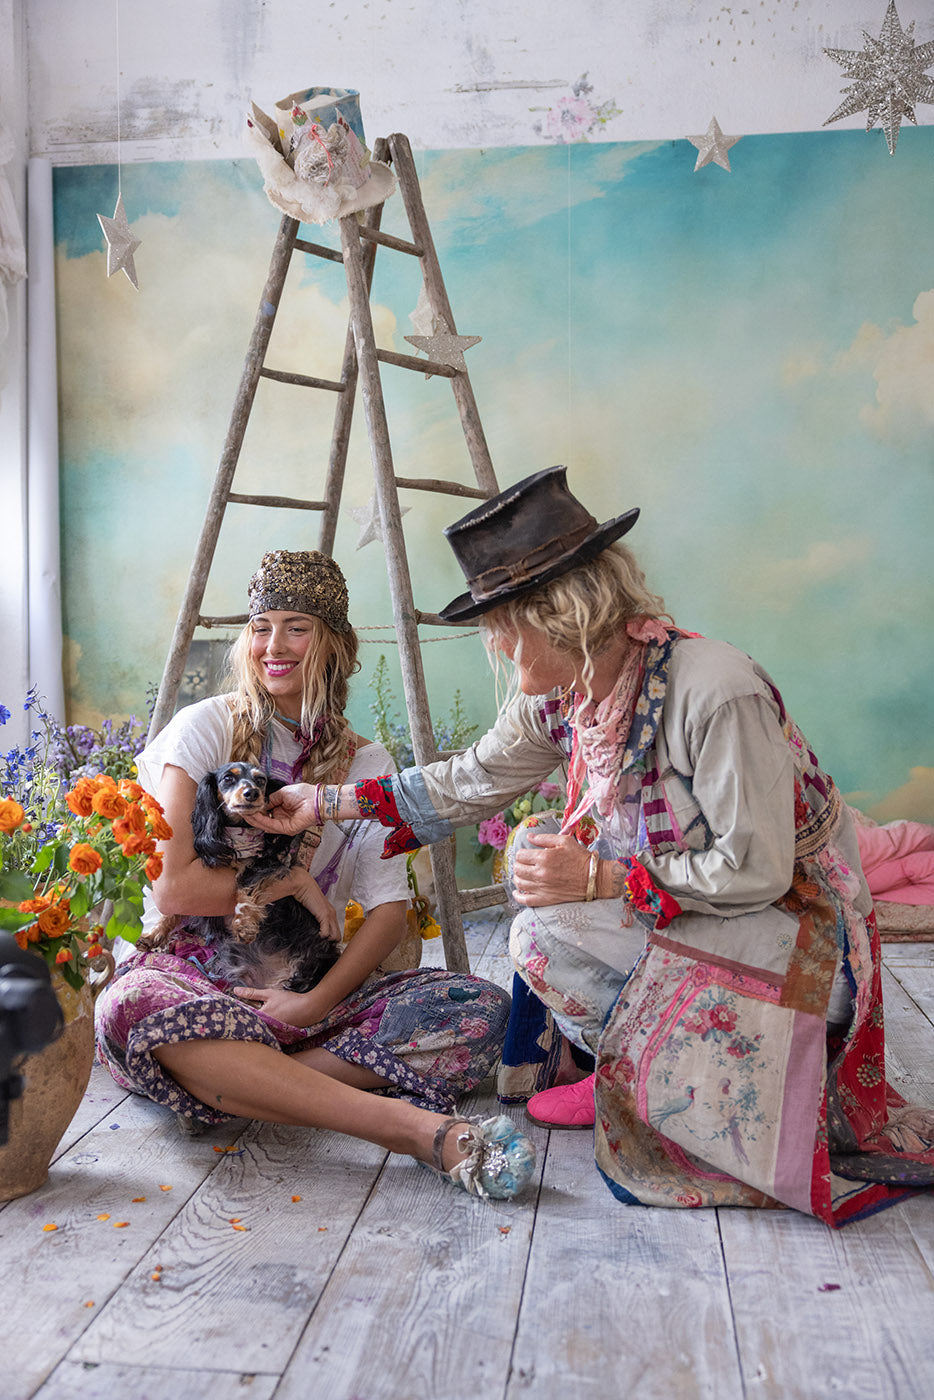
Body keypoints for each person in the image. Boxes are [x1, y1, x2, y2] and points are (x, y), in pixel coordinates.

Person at [247, 469, 934, 1227]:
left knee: (558, 915)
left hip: (802, 940)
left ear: (560, 613)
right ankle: (634, 1070)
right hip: (710, 917)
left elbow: (756, 870)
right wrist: (324, 801)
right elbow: (472, 778)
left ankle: (713, 1087)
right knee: (539, 922)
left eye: (502, 624)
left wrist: (601, 876)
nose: (496, 645)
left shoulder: (715, 690)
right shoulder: (567, 694)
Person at [95, 549, 535, 1202]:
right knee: (131, 1003)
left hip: (299, 992)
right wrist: (292, 883)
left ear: (334, 645)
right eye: (261, 627)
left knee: (483, 1010)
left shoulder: (367, 763)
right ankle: (409, 1129)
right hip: (198, 984)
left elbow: (389, 913)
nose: (274, 646)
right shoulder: (205, 728)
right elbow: (174, 889)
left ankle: (241, 1082)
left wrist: (315, 1003)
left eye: (296, 627)